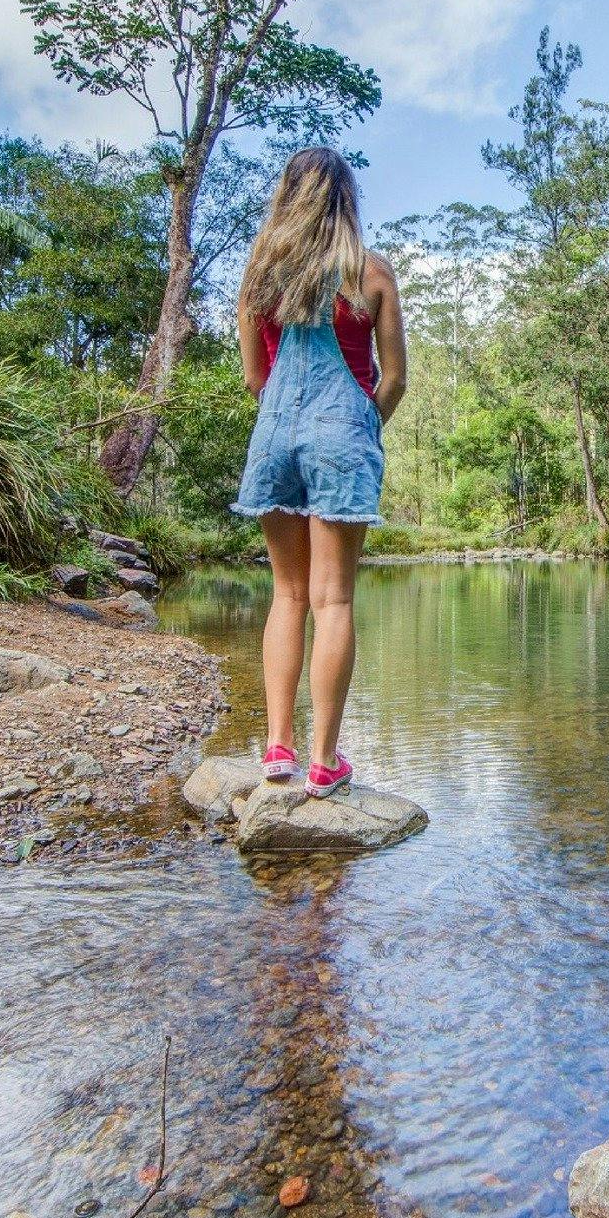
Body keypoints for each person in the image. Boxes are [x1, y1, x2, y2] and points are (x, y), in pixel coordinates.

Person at [232, 148, 406, 794]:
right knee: (333, 599)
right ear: (345, 203)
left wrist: (290, 421)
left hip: (274, 437)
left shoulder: (260, 278)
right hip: (343, 441)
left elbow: (256, 378)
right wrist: (358, 427)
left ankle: (277, 747)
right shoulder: (371, 275)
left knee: (288, 594)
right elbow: (394, 381)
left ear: (289, 198)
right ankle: (323, 763)